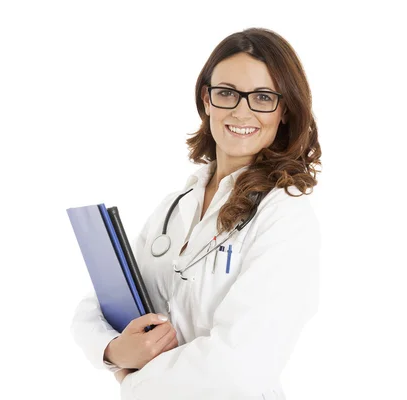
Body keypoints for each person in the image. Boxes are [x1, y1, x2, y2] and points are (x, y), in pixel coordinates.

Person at [70, 27, 322, 400]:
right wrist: (114, 351)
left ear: (284, 111)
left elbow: (242, 367)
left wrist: (133, 380)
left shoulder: (284, 217)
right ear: (206, 99)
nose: (241, 110)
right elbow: (97, 307)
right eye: (227, 93)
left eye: (263, 97)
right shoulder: (175, 206)